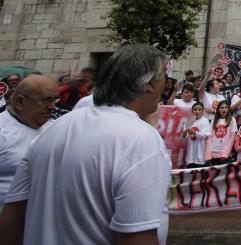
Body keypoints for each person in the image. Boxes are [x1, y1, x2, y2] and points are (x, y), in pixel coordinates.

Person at [0, 44, 172, 245]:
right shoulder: (141, 140)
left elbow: (12, 218)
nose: (166, 85)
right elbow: (138, 237)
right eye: (164, 78)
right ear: (150, 83)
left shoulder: (53, 129)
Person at [0, 76, 58, 209]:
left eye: (55, 100)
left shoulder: (55, 128)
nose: (52, 107)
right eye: (46, 100)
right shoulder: (2, 131)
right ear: (20, 102)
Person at [204, 100, 237, 165]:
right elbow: (209, 137)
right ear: (218, 109)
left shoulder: (232, 120)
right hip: (213, 154)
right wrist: (208, 155)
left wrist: (225, 154)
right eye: (222, 108)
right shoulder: (214, 120)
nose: (224, 109)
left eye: (226, 107)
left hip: (225, 155)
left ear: (228, 109)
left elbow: (232, 139)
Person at [183, 102, 211, 168]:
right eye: (195, 109)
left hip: (200, 155)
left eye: (199, 109)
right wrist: (184, 134)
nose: (197, 111)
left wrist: (194, 132)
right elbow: (186, 137)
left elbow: (204, 135)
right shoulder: (189, 121)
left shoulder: (205, 120)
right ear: (192, 111)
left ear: (203, 111)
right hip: (190, 155)